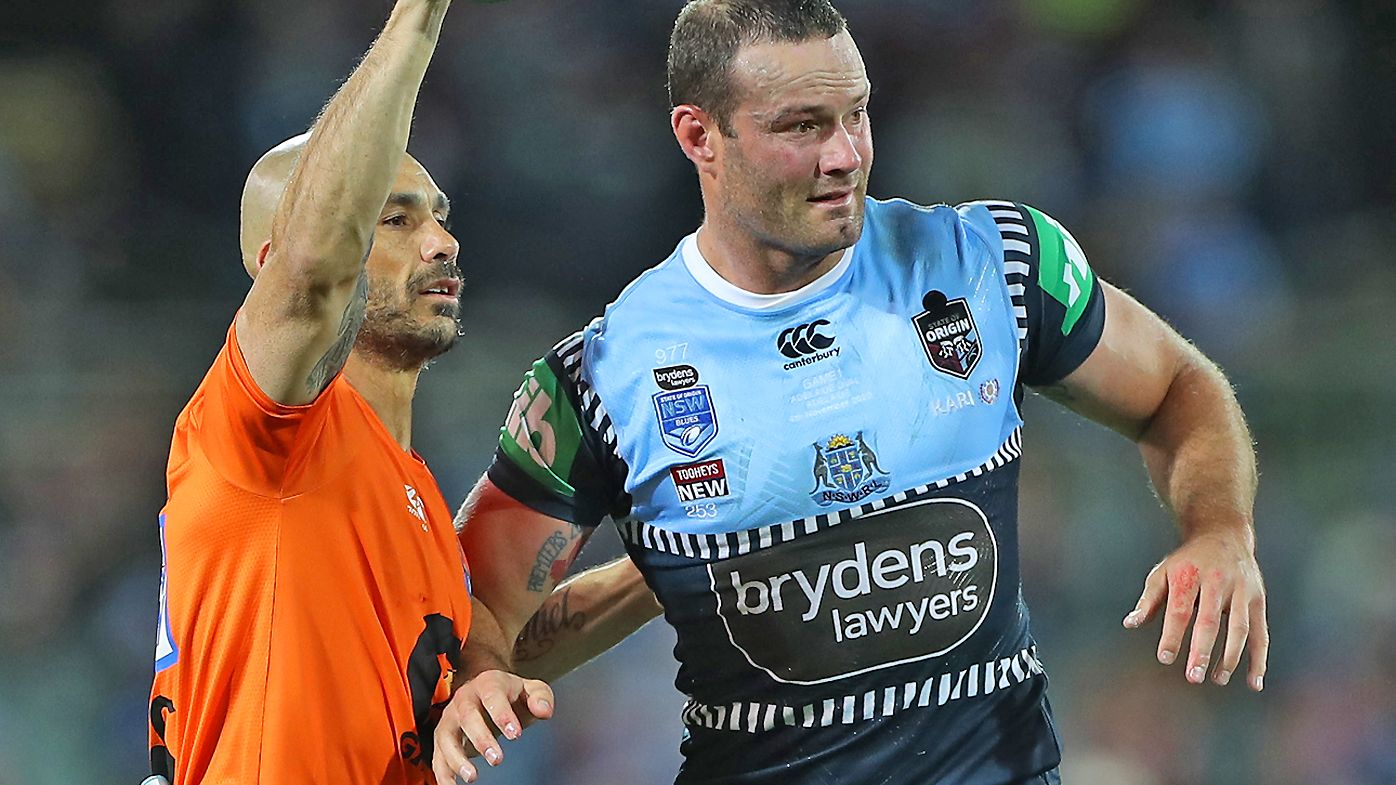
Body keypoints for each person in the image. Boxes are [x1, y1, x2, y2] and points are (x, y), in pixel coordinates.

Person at [433, 1, 1269, 783]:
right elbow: (474, 616)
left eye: (856, 114)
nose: (845, 155)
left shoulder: (991, 263)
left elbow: (1178, 386)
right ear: (699, 136)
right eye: (801, 126)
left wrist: (1219, 527)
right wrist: (480, 674)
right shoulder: (601, 379)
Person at [144, 2, 552, 783]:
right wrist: (418, 17)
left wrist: (686, 565)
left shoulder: (417, 498)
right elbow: (314, 267)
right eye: (391, 220)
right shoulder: (261, 436)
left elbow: (485, 649)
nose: (441, 241)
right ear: (273, 263)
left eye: (439, 216)